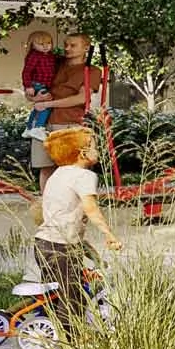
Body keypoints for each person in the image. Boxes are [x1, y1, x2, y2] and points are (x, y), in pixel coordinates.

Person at [34, 127, 120, 327]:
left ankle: (48, 326)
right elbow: (91, 208)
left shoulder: (57, 174)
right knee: (74, 296)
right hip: (61, 247)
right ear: (82, 153)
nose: (98, 152)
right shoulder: (84, 176)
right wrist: (109, 234)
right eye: (95, 148)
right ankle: (71, 338)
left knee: (56, 294)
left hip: (44, 243)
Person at [36, 33, 99, 190]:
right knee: (45, 168)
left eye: (73, 45)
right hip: (42, 122)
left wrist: (49, 104)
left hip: (69, 123)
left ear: (86, 48)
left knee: (72, 169)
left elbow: (81, 98)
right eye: (66, 45)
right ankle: (47, 207)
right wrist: (34, 95)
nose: (67, 48)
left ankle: (74, 207)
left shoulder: (92, 71)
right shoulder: (55, 64)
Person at [20, 28, 58, 140]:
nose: (46, 46)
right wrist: (28, 86)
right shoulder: (34, 56)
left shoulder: (50, 55)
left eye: (49, 43)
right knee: (46, 105)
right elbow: (26, 72)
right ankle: (38, 127)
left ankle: (29, 128)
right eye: (41, 44)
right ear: (33, 45)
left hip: (45, 84)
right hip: (38, 84)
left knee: (37, 108)